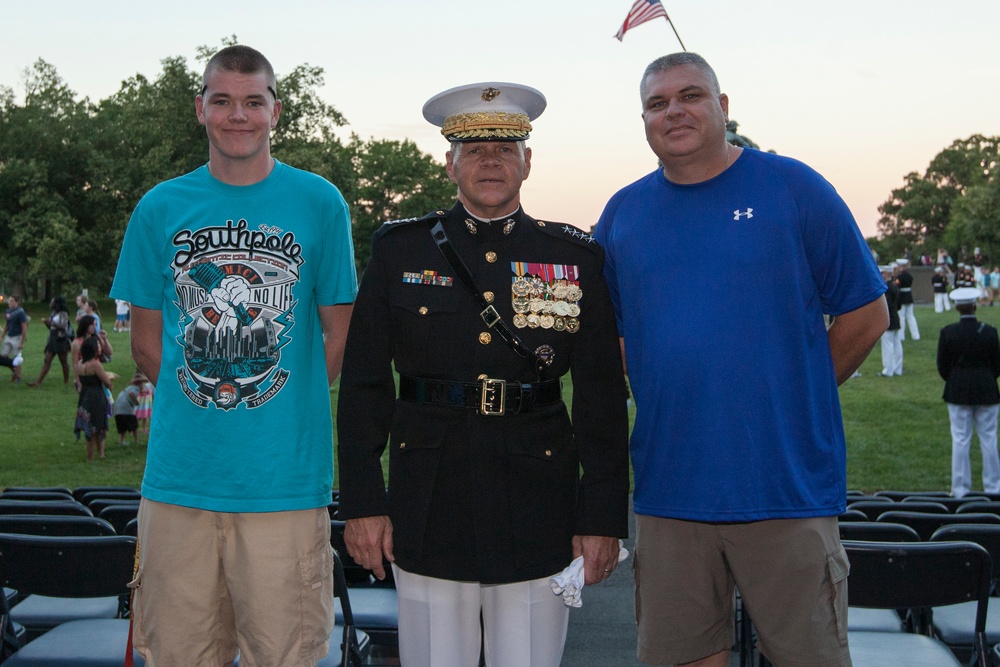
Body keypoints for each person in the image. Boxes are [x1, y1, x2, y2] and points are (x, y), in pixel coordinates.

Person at [592, 53, 888, 667]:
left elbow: (866, 313)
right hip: (671, 490)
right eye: (656, 103)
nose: (673, 110)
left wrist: (797, 390)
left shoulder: (792, 187)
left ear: (724, 108)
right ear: (643, 120)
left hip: (785, 485)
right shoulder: (622, 214)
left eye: (690, 95)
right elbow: (614, 338)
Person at [337, 81, 629, 667]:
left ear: (528, 162)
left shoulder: (576, 259)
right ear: (450, 164)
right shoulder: (400, 252)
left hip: (538, 500)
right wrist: (365, 503)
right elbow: (366, 386)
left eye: (505, 147)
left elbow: (600, 399)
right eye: (474, 148)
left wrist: (601, 518)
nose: (489, 159)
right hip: (429, 496)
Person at [109, 44, 356, 666]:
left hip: (284, 485)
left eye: (252, 101)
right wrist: (213, 386)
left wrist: (266, 394)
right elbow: (145, 342)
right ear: (201, 109)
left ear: (276, 110)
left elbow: (339, 338)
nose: (237, 115)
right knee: (180, 655)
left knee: (287, 655)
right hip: (178, 484)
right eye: (222, 101)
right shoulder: (159, 208)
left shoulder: (319, 203)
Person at [937, 287, 1000, 498]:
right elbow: (997, 365)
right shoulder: (990, 332)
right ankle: (994, 487)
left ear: (956, 307)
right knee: (989, 439)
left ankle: (961, 488)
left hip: (958, 390)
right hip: (987, 389)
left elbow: (942, 366)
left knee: (961, 440)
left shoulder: (948, 332)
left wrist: (956, 379)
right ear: (974, 306)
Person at [74, 336, 112, 461]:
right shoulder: (95, 364)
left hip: (84, 396)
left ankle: (89, 455)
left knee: (89, 427)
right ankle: (100, 453)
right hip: (96, 396)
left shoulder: (80, 364)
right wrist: (110, 384)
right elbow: (106, 381)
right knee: (99, 426)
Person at [27, 296, 73, 386]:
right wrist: (47, 323)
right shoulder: (53, 313)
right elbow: (51, 327)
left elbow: (63, 327)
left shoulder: (63, 314)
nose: (50, 303)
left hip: (61, 339)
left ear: (56, 303)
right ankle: (38, 382)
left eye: (52, 302)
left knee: (63, 361)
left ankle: (66, 381)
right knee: (47, 360)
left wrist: (52, 323)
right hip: (52, 339)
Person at [877, 264, 903, 377]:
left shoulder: (886, 288)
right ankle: (898, 368)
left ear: (887, 273)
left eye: (882, 273)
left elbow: (885, 306)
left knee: (888, 345)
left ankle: (888, 370)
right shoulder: (894, 286)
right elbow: (899, 305)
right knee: (897, 344)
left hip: (889, 319)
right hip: (895, 318)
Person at [0, 294, 29, 383]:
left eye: (12, 301)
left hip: (17, 336)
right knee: (4, 357)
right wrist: (2, 336)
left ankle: (18, 378)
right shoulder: (8, 311)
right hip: (9, 336)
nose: (9, 302)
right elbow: (7, 325)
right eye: (9, 301)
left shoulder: (20, 312)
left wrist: (22, 342)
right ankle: (15, 372)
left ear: (17, 302)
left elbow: (24, 327)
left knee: (17, 357)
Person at [113, 372, 144, 445]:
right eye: (142, 384)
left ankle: (121, 441)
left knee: (122, 427)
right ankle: (137, 441)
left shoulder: (128, 387)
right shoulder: (136, 388)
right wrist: (136, 402)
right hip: (126, 408)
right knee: (134, 425)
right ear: (139, 384)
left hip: (117, 409)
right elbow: (131, 393)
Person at [894, 257, 920, 340]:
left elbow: (897, 286)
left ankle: (901, 336)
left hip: (902, 298)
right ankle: (916, 335)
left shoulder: (899, 277)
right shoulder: (909, 276)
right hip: (909, 297)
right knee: (911, 317)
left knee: (901, 317)